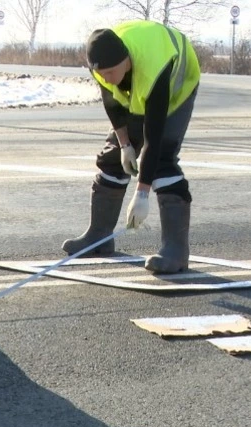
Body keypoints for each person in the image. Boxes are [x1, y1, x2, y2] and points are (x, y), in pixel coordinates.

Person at [62, 20, 200, 274]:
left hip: (176, 88)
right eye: (102, 74)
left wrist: (142, 193)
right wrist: (125, 145)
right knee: (112, 156)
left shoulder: (153, 69)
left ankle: (176, 251)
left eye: (110, 73)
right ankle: (99, 236)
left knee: (162, 159)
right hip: (139, 81)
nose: (106, 78)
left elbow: (153, 137)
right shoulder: (102, 63)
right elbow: (112, 103)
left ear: (125, 60)